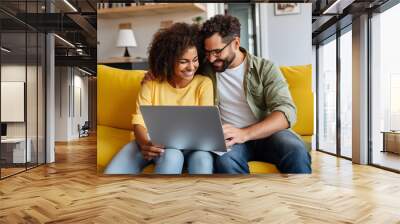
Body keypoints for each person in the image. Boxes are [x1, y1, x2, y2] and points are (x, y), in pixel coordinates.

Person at [197, 15, 311, 174]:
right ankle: (242, 199)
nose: (211, 58)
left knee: (295, 151)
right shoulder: (205, 70)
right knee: (225, 161)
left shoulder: (264, 68)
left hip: (269, 134)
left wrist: (245, 133)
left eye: (217, 52)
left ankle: (297, 199)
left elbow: (286, 112)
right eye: (207, 52)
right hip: (232, 140)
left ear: (236, 43)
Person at [104, 23, 214, 174]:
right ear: (168, 61)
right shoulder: (151, 84)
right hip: (151, 142)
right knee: (110, 175)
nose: (191, 67)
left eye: (194, 59)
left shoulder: (203, 84)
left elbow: (204, 124)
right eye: (183, 61)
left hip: (192, 149)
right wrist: (145, 144)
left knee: (198, 159)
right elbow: (139, 121)